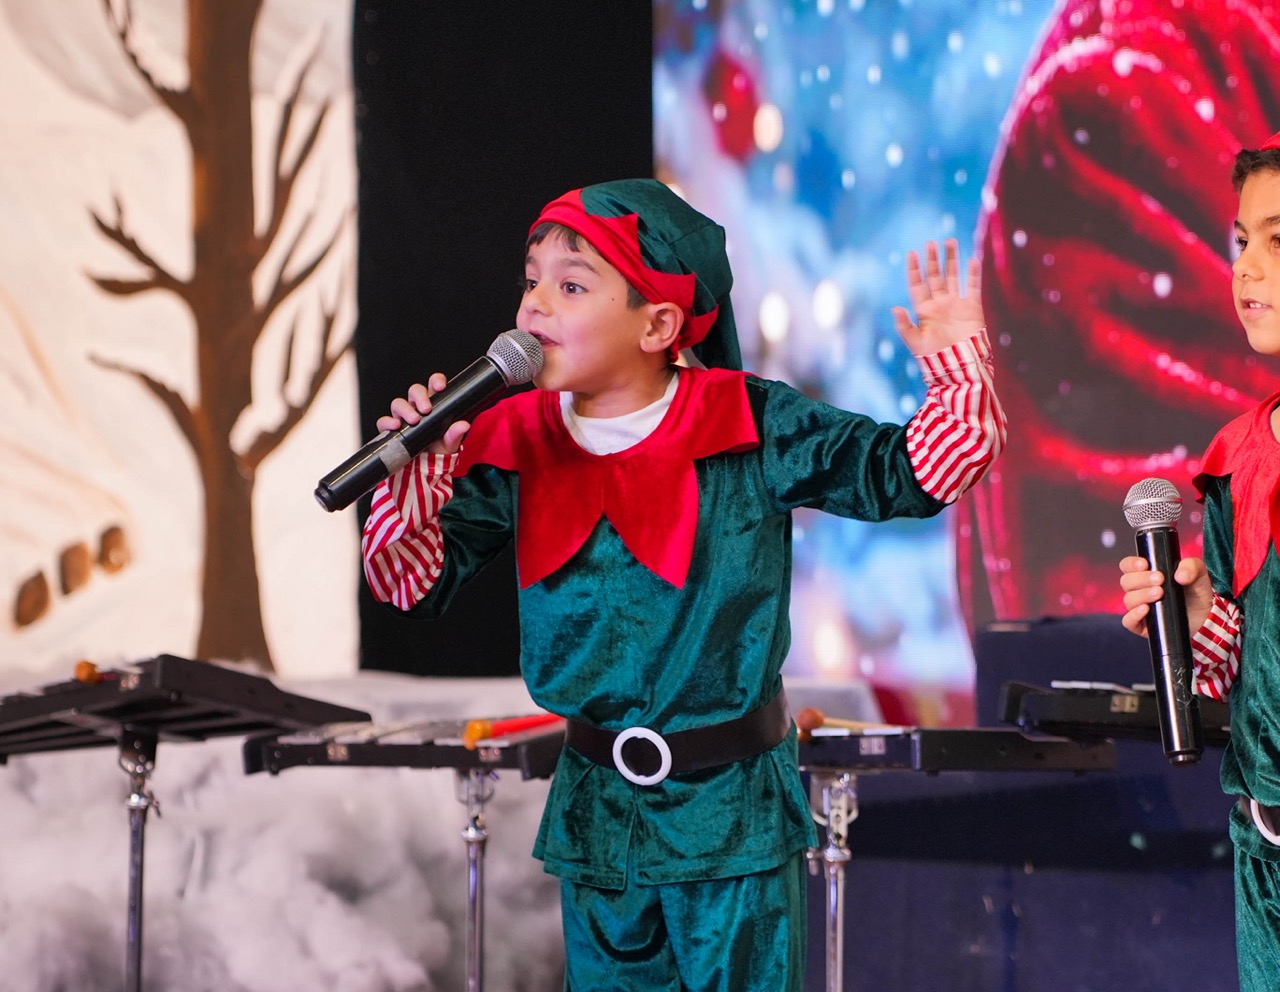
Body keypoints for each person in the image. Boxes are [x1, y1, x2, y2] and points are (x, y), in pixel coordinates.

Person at [362, 178, 1006, 990]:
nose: (534, 308)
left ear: (658, 325)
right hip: (599, 819)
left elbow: (907, 475)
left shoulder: (749, 422)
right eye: (531, 281)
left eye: (571, 285)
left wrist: (958, 368)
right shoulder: (514, 439)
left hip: (730, 816)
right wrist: (412, 493)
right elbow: (410, 586)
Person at [1118, 129, 1280, 992]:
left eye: (1278, 242)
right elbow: (1240, 665)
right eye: (1242, 240)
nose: (1246, 268)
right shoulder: (1236, 458)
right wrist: (1193, 617)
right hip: (1266, 848)